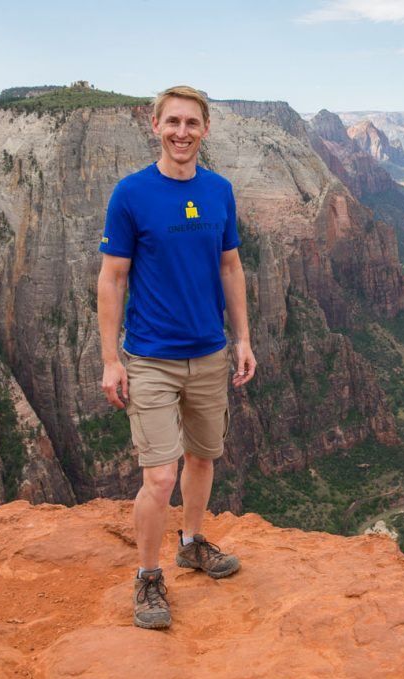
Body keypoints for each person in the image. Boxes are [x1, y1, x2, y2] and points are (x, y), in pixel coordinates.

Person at [96, 85, 256, 630]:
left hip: (210, 353)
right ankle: (147, 576)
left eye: (192, 123)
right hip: (151, 359)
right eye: (173, 123)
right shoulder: (131, 193)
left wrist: (244, 339)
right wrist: (110, 358)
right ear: (155, 125)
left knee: (205, 458)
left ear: (205, 129)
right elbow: (112, 278)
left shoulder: (220, 191)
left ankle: (191, 543)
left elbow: (231, 267)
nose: (182, 133)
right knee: (160, 477)